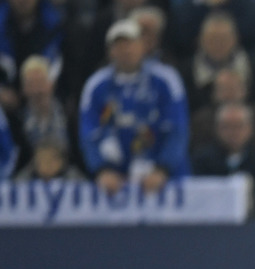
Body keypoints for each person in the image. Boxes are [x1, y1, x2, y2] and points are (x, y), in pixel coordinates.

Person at [78, 18, 190, 194]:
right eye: (119, 46)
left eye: (130, 43)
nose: (126, 50)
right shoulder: (96, 86)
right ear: (110, 51)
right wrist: (101, 170)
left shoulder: (166, 80)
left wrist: (163, 169)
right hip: (115, 181)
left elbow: (177, 129)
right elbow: (89, 133)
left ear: (143, 46)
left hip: (165, 179)